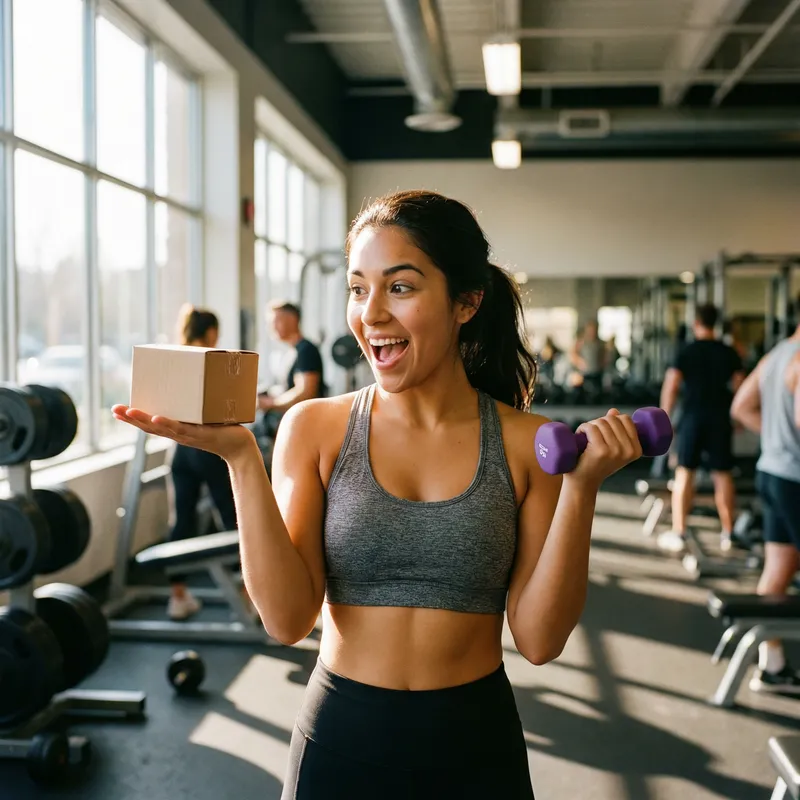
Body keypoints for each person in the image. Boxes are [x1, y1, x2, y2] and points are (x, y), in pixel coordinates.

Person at [113, 190, 643, 799]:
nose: (371, 314)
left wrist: (580, 491)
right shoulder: (315, 429)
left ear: (466, 302)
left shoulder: (530, 445)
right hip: (342, 742)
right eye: (358, 288)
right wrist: (239, 458)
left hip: (476, 750)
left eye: (400, 287)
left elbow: (540, 640)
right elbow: (287, 621)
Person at [731, 296, 800, 693]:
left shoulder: (776, 355)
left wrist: (775, 440)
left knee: (778, 568)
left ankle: (772, 665)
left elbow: (741, 405)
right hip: (794, 478)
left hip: (771, 471)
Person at [165, 304, 238, 621]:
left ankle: (177, 596)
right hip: (206, 448)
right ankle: (251, 593)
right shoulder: (211, 359)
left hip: (179, 452)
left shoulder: (174, 358)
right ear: (210, 333)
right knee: (232, 516)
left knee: (182, 520)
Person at [658, 304, 746, 553]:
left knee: (685, 472)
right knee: (723, 474)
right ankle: (728, 532)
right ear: (715, 323)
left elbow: (671, 387)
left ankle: (680, 531)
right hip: (719, 418)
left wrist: (664, 419)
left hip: (693, 418)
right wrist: (737, 418)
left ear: (696, 322)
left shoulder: (687, 352)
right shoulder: (728, 352)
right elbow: (741, 387)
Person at [258, 301, 325, 415]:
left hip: (305, 423)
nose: (271, 327)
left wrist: (271, 403)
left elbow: (305, 392)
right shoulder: (292, 351)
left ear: (292, 320)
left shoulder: (306, 350)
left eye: (275, 321)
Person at [569, 320, 606, 395]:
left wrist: (602, 364)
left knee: (597, 393)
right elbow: (572, 353)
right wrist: (579, 362)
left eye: (594, 330)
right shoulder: (581, 342)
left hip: (597, 372)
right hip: (584, 373)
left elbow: (604, 355)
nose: (592, 332)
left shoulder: (599, 343)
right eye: (590, 330)